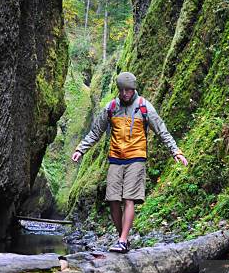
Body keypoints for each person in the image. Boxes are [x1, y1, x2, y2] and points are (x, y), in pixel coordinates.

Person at [71, 72, 188, 253]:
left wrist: (176, 152)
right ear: (119, 89)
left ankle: (123, 239)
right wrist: (80, 149)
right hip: (115, 158)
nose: (126, 93)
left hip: (136, 157)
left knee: (128, 198)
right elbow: (95, 132)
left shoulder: (144, 107)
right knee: (113, 200)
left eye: (129, 90)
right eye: (123, 90)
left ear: (134, 89)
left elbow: (161, 131)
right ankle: (122, 239)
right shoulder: (111, 108)